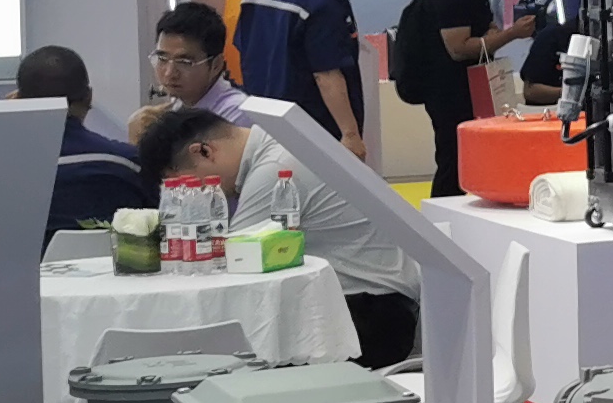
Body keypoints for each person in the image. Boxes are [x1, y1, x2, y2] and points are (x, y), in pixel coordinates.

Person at [140, 105, 421, 366]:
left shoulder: (275, 171)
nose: (195, 195)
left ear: (203, 152)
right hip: (374, 301)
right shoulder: (278, 144)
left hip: (370, 316)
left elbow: (233, 265)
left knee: (219, 348)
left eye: (187, 185)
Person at [395, 0, 537, 199]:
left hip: (465, 88)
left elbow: (480, 29)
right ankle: (443, 213)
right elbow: (459, 48)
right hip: (447, 91)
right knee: (453, 157)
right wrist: (511, 34)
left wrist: (493, 32)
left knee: (470, 155)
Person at [231, 0, 368, 161]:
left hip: (265, 124)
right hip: (312, 131)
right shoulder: (321, 1)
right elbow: (326, 74)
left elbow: (244, 50)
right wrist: (350, 134)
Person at [14, 45, 149, 238]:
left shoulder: (2, 171)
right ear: (89, 97)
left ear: (18, 100)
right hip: (112, 258)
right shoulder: (128, 163)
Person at [151, 1, 247, 119]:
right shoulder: (181, 103)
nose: (169, 73)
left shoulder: (236, 113)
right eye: (162, 58)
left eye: (184, 62)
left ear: (216, 65)